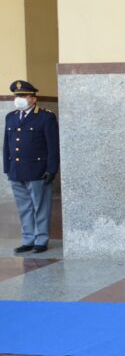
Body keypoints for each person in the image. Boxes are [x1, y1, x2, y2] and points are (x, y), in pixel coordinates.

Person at [3, 80, 59, 254]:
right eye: (17, 96)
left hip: (38, 171)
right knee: (24, 208)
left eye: (23, 96)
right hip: (16, 171)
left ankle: (41, 240)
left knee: (40, 207)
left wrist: (51, 169)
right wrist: (7, 167)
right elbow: (7, 145)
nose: (19, 99)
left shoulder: (45, 117)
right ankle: (28, 239)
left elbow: (53, 146)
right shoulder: (11, 117)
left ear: (33, 99)